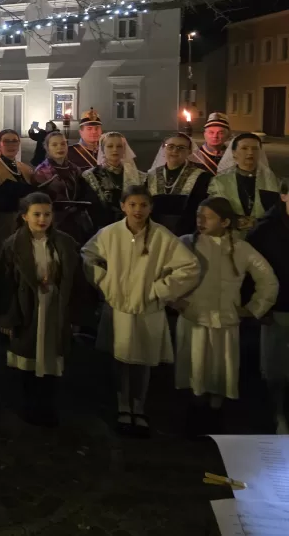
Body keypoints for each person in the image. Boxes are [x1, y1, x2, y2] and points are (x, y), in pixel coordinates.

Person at [81, 185, 199, 437]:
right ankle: (123, 404)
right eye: (132, 204)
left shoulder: (161, 236)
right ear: (123, 206)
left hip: (148, 307)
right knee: (121, 359)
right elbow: (87, 256)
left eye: (143, 205)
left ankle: (139, 405)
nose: (137, 210)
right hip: (120, 306)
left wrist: (161, 289)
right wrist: (105, 282)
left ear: (150, 208)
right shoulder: (110, 234)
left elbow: (189, 266)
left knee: (143, 360)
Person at [176, 197, 278, 433]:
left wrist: (253, 308)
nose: (200, 221)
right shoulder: (186, 244)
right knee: (196, 368)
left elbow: (267, 280)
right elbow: (163, 272)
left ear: (224, 221)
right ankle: (195, 416)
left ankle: (214, 416)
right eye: (198, 216)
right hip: (196, 318)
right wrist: (175, 300)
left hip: (225, 321)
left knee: (221, 370)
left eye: (208, 217)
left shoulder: (241, 249)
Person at [0, 192, 80, 426]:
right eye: (36, 214)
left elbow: (74, 278)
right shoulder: (13, 245)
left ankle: (48, 404)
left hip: (54, 306)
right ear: (24, 217)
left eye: (47, 214)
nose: (42, 219)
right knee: (29, 356)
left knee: (51, 355)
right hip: (28, 307)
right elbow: (5, 284)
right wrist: (7, 317)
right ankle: (29, 404)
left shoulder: (63, 242)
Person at [246, 179, 289, 434]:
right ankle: (277, 415)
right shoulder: (265, 231)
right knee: (275, 371)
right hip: (277, 309)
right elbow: (250, 272)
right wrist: (259, 307)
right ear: (283, 196)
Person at [207, 133, 281, 238]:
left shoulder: (270, 179)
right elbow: (214, 210)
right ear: (234, 153)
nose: (250, 153)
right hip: (230, 236)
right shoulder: (220, 181)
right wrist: (234, 220)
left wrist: (259, 222)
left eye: (255, 149)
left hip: (263, 235)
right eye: (244, 148)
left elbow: (276, 209)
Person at [31, 131, 93, 244]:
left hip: (76, 222)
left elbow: (83, 191)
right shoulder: (42, 172)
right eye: (54, 145)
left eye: (63, 144)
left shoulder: (74, 169)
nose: (60, 147)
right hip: (54, 222)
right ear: (47, 148)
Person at [145, 133, 211, 236]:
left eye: (181, 148)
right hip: (154, 232)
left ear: (189, 152)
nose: (175, 151)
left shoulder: (201, 177)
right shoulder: (151, 175)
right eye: (170, 146)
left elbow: (200, 208)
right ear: (163, 148)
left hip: (187, 233)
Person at [82, 132, 145, 229]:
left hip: (131, 226)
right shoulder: (90, 176)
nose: (115, 150)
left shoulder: (137, 175)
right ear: (103, 149)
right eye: (110, 146)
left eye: (119, 146)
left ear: (124, 149)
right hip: (102, 228)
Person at [0, 129, 35, 245]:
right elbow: (0, 197)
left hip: (26, 220)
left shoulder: (24, 168)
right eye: (6, 141)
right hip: (5, 221)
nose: (11, 145)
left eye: (14, 141)